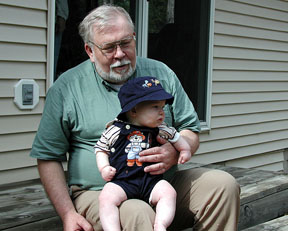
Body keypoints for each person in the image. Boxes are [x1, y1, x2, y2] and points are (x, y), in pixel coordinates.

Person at [30, 4, 240, 231]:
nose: (120, 54)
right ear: (90, 51)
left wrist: (176, 149)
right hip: (102, 194)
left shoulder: (161, 74)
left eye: (125, 43)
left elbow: (190, 129)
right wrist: (67, 213)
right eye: (109, 47)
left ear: (135, 38)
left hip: (160, 186)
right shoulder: (66, 88)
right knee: (135, 212)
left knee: (222, 185)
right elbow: (48, 156)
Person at [95, 76, 192, 231]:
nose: (162, 112)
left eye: (162, 107)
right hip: (122, 180)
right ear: (133, 110)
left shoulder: (161, 129)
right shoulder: (115, 129)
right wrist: (104, 168)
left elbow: (177, 138)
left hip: (151, 181)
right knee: (106, 197)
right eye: (155, 107)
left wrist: (185, 150)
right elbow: (101, 149)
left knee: (168, 192)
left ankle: (161, 224)